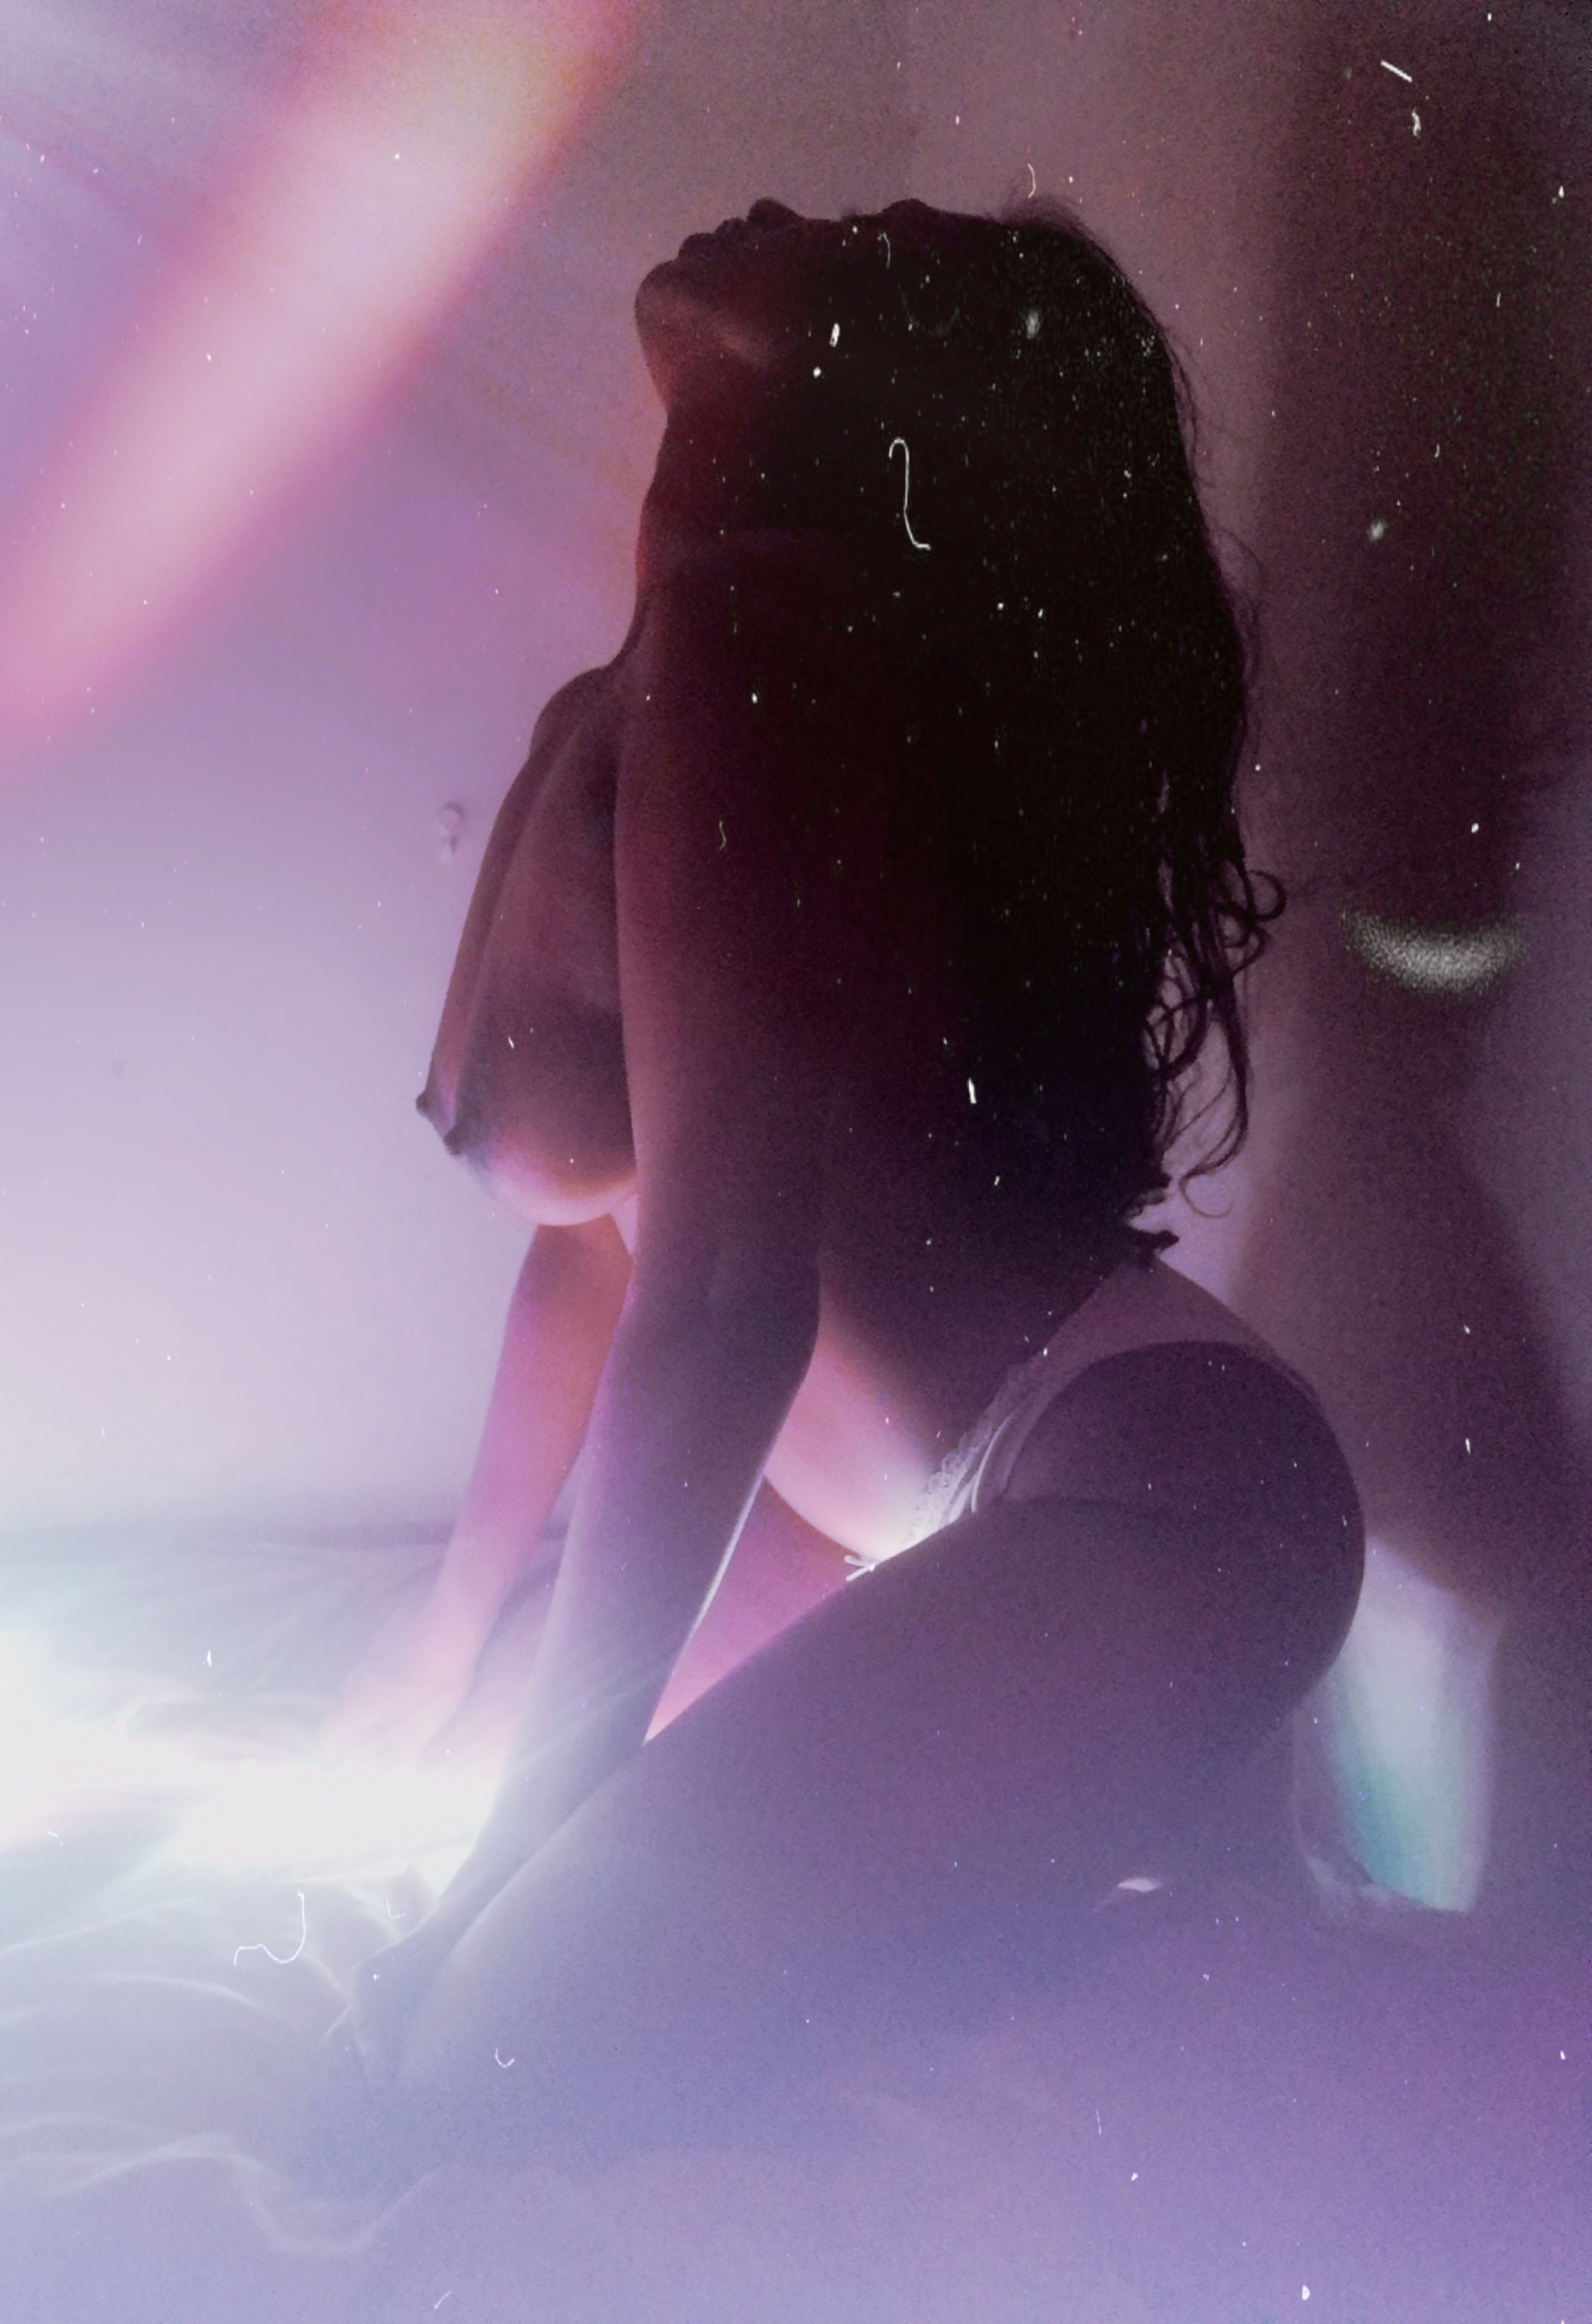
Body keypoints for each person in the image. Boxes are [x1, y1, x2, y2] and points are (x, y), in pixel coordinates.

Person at [319, 197, 1363, 2158]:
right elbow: (610, 1249)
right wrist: (449, 1628)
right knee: (521, 1983)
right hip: (978, 1489)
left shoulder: (754, 638)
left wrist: (509, 1853)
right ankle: (1210, 1877)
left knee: (489, 2054)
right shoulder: (661, 660)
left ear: (876, 377)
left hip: (1144, 1469)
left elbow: (724, 1302)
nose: (773, 208)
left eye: (858, 237)